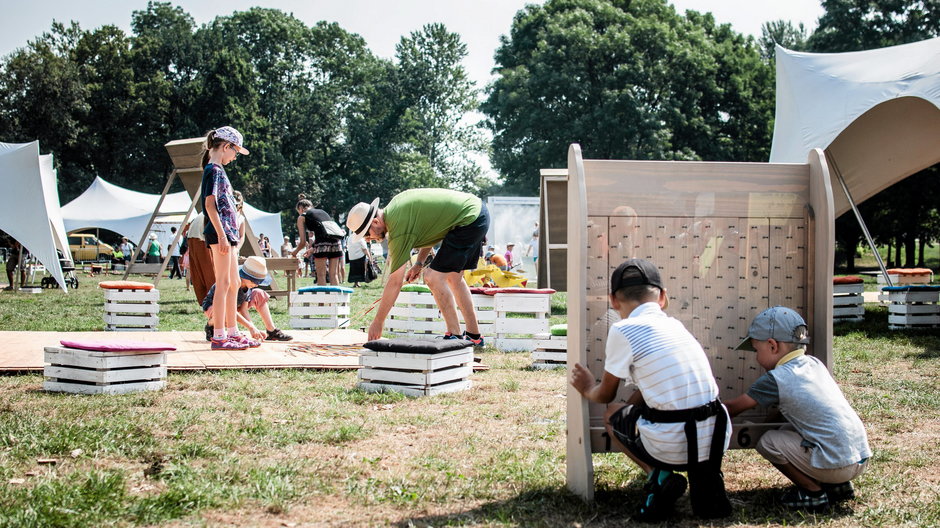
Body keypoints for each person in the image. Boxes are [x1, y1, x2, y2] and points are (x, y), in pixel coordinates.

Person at [569, 259, 732, 522]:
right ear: (663, 297)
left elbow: (606, 395)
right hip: (715, 439)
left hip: (673, 444)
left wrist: (587, 387)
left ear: (613, 300)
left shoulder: (623, 329)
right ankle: (707, 478)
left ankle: (660, 476)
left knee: (612, 414)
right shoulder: (676, 326)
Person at [724, 307, 871, 511]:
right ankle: (838, 487)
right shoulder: (814, 364)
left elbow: (733, 408)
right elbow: (789, 410)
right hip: (859, 458)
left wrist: (697, 411)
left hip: (837, 465)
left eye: (757, 351)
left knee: (767, 442)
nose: (756, 359)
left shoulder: (776, 378)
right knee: (785, 431)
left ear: (772, 346)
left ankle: (813, 493)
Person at [346, 188, 489, 345]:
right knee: (453, 278)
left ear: (375, 222)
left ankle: (454, 336)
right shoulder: (396, 206)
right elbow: (431, 230)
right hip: (475, 211)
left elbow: (395, 282)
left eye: (367, 234)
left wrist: (378, 321)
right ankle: (474, 337)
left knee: (432, 277)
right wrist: (419, 263)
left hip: (468, 219)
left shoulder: (397, 228)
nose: (368, 240)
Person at [201, 125, 251, 351]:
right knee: (222, 283)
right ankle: (219, 336)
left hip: (228, 234)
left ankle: (233, 331)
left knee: (234, 283)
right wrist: (221, 234)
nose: (235, 157)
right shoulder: (213, 170)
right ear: (226, 147)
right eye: (235, 152)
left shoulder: (219, 170)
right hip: (220, 233)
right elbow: (210, 205)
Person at [202, 256, 293, 343]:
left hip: (235, 306)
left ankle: (272, 331)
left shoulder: (247, 286)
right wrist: (250, 327)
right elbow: (229, 309)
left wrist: (254, 328)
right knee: (224, 313)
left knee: (259, 293)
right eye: (254, 281)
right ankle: (211, 325)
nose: (256, 284)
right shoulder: (231, 282)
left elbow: (243, 310)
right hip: (215, 307)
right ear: (244, 276)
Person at [292, 194, 344, 286]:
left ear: (300, 209)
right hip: (336, 241)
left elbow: (303, 242)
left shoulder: (302, 217)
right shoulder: (322, 212)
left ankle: (323, 300)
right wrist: (312, 249)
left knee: (321, 274)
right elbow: (325, 232)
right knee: (333, 274)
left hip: (322, 244)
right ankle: (334, 300)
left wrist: (294, 253)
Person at [186, 213, 215, 306]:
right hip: (201, 238)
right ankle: (213, 300)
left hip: (193, 236)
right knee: (210, 273)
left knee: (198, 273)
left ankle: (206, 301)